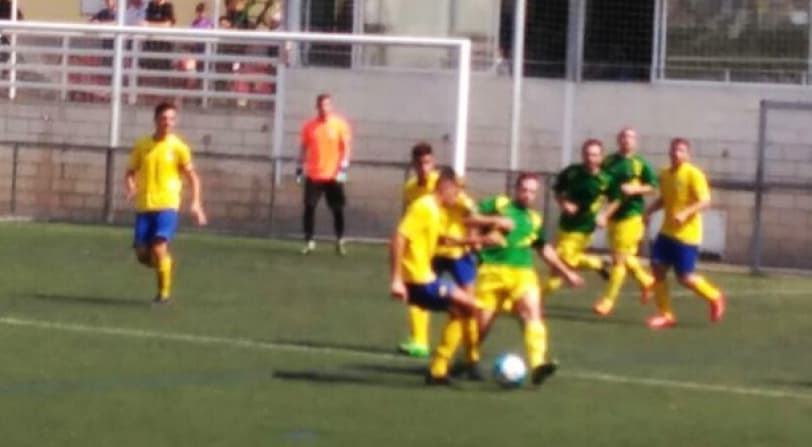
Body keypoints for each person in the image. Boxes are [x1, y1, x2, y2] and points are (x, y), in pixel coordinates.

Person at [460, 174, 584, 386]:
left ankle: (538, 365)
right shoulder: (499, 204)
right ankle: (467, 362)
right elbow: (468, 217)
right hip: (492, 271)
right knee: (481, 326)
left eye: (532, 191)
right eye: (524, 190)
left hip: (522, 272)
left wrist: (566, 272)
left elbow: (543, 248)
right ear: (516, 189)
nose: (528, 195)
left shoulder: (534, 219)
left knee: (532, 312)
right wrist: (479, 239)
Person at [389, 167, 484, 385]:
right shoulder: (424, 207)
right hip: (417, 279)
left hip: (425, 276)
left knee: (464, 309)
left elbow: (441, 239)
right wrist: (396, 279)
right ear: (445, 187)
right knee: (469, 306)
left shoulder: (435, 211)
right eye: (456, 191)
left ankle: (440, 369)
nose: (458, 196)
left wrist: (480, 241)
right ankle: (439, 369)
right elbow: (399, 237)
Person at [125, 102, 207, 303]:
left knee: (159, 247)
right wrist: (131, 187)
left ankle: (163, 294)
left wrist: (196, 203)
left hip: (168, 204)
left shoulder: (179, 147)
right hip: (144, 205)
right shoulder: (142, 145)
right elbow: (129, 172)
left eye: (171, 119)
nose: (167, 123)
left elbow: (193, 177)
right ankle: (165, 264)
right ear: (156, 120)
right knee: (142, 253)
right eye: (164, 118)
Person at [643, 138, 726, 329]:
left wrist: (686, 213)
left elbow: (705, 201)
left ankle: (714, 296)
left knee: (685, 278)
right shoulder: (665, 174)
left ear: (688, 154)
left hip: (687, 235)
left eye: (681, 150)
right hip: (666, 232)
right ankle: (666, 315)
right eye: (674, 150)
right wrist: (649, 211)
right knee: (657, 269)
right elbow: (664, 199)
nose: (676, 153)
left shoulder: (693, 174)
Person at [593, 127, 657, 316]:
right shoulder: (609, 161)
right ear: (618, 140)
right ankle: (646, 281)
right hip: (613, 215)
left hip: (631, 215)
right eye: (623, 137)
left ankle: (608, 301)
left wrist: (636, 189)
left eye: (630, 137)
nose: (626, 140)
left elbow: (653, 187)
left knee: (618, 260)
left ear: (635, 141)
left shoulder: (640, 164)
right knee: (620, 256)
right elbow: (601, 183)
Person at [544, 139, 613, 294]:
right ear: (582, 155)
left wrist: (604, 215)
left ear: (601, 157)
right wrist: (563, 204)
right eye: (587, 154)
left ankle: (535, 298)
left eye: (594, 155)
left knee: (561, 264)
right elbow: (557, 190)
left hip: (584, 228)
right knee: (560, 264)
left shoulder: (605, 179)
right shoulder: (572, 172)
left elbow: (616, 200)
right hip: (565, 224)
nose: (590, 158)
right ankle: (596, 263)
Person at [298, 93, 352, 255]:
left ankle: (340, 240)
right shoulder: (309, 126)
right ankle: (309, 241)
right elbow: (303, 148)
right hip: (314, 175)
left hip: (333, 175)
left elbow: (346, 147)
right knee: (309, 207)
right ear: (317, 107)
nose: (324, 108)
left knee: (337, 208)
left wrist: (343, 168)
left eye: (327, 105)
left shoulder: (340, 125)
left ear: (331, 106)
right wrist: (299, 167)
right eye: (321, 106)